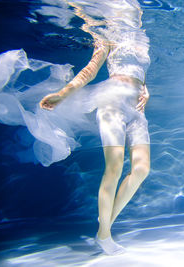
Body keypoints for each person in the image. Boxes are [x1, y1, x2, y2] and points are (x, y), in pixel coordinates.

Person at [39, 1, 151, 255]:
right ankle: (105, 235)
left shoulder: (143, 40)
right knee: (114, 167)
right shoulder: (107, 34)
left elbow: (139, 72)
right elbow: (90, 70)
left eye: (136, 9)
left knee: (142, 169)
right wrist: (63, 93)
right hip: (112, 102)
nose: (134, 11)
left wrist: (147, 89)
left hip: (137, 108)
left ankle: (106, 224)